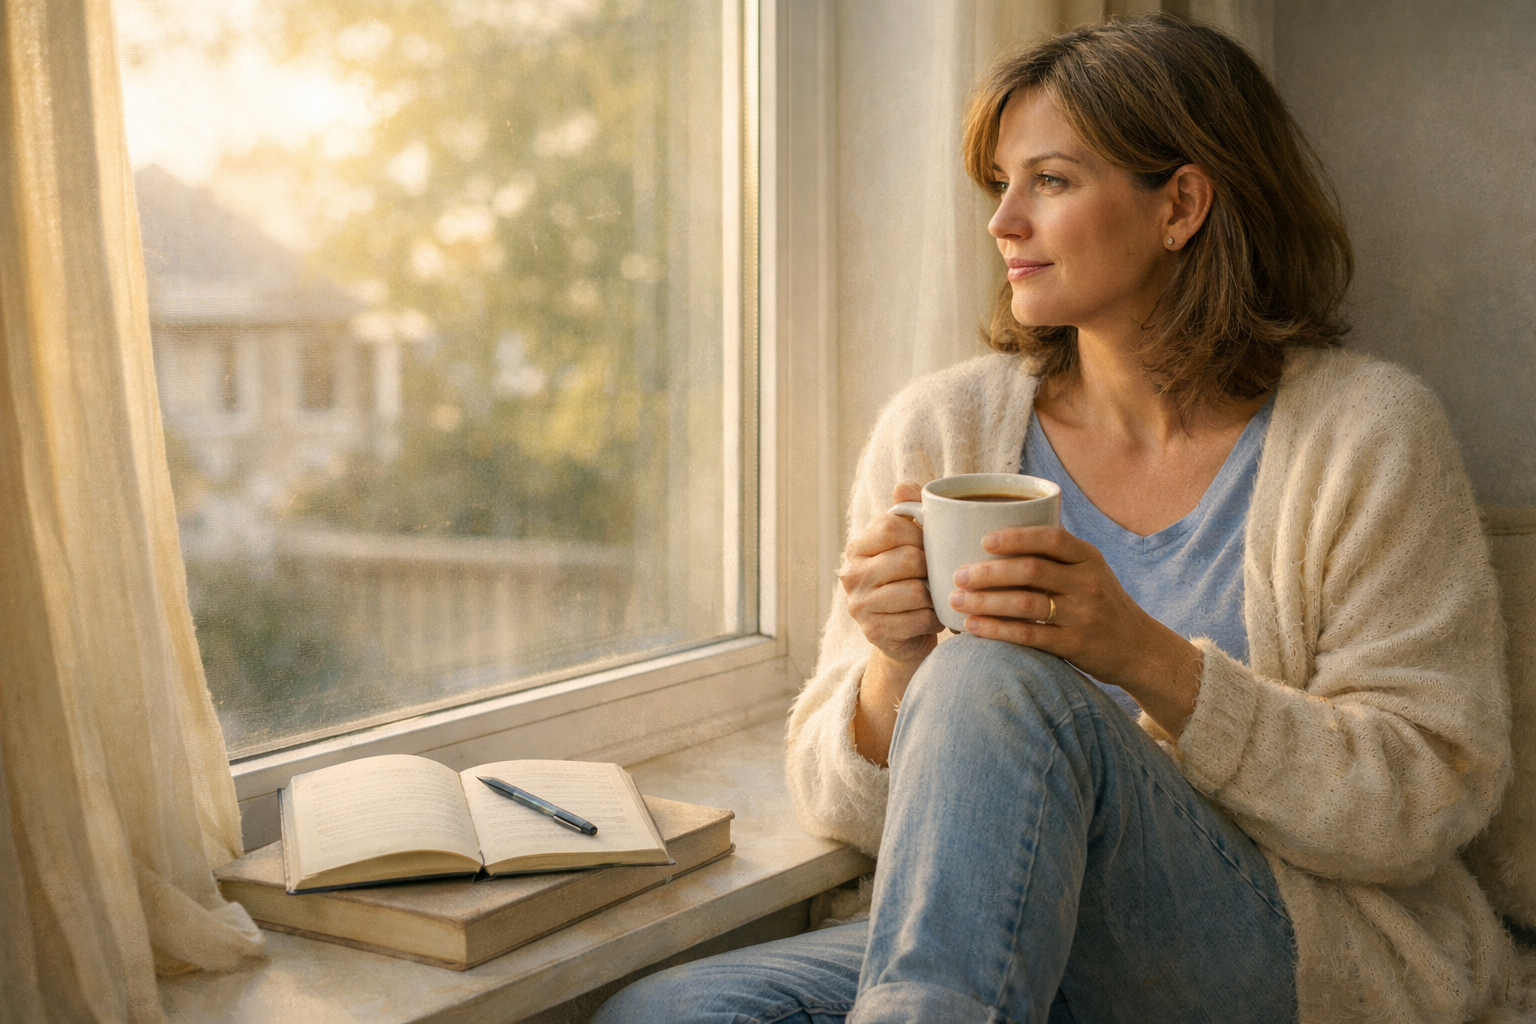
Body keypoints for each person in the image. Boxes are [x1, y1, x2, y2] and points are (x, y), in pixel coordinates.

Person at [593, 13, 1514, 1023]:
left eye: (1052, 181)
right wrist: (896, 666)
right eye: (1000, 184)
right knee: (671, 1012)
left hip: (1278, 942)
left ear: (1182, 205)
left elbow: (1427, 797)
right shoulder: (942, 430)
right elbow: (842, 808)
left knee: (991, 669)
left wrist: (1147, 658)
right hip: (993, 929)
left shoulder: (1366, 436)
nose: (1003, 223)